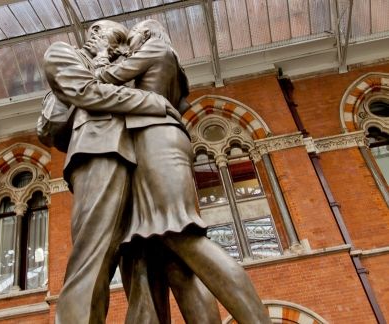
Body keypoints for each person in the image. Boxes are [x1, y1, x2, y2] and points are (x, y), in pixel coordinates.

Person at [95, 19, 271, 324]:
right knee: (169, 264)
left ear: (147, 33)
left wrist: (101, 54)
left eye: (132, 36)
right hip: (156, 142)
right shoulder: (169, 63)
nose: (128, 43)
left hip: (154, 141)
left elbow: (104, 79)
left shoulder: (154, 48)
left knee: (181, 235)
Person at [43, 20, 179, 324]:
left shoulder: (123, 64)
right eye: (116, 41)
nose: (121, 51)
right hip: (99, 151)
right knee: (93, 256)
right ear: (94, 33)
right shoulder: (63, 54)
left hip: (142, 159)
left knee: (146, 263)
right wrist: (152, 101)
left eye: (123, 47)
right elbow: (86, 94)